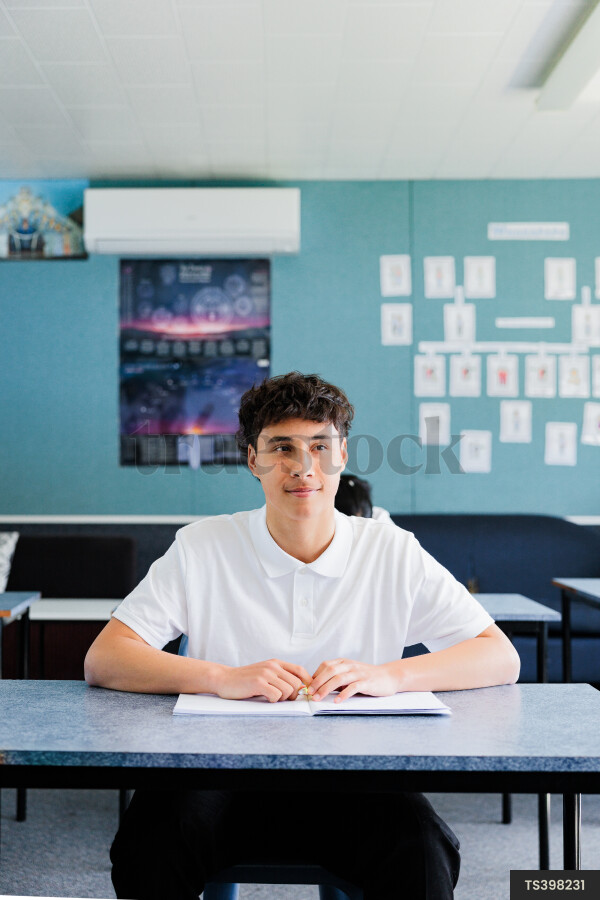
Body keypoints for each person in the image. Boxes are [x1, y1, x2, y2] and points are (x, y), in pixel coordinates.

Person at [85, 371, 520, 900]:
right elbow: (106, 658)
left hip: (351, 777)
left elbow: (498, 654)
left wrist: (390, 676)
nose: (303, 466)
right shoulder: (204, 546)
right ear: (253, 460)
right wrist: (220, 677)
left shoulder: (391, 550)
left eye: (319, 446)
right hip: (214, 774)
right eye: (281, 448)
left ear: (341, 455)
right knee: (149, 844)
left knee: (423, 848)